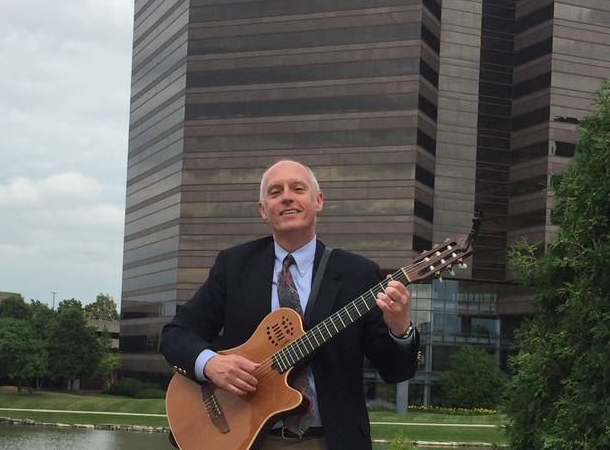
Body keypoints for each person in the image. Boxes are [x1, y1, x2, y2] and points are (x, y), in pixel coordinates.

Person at [161, 159, 420, 450]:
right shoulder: (233, 266)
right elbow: (176, 334)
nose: (287, 196)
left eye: (298, 188)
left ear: (318, 201)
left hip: (330, 441)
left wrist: (400, 329)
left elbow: (397, 371)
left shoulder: (359, 274)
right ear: (263, 210)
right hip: (248, 440)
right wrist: (211, 364)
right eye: (275, 192)